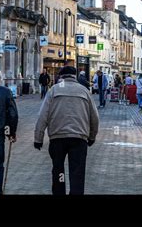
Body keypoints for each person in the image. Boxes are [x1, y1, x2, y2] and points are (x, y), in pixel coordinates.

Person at [34, 66, 99, 195]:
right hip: (79, 138)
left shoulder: (53, 90)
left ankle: (59, 192)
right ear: (74, 76)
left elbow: (42, 116)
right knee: (77, 173)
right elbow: (95, 117)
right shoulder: (84, 91)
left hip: (57, 138)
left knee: (58, 170)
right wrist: (92, 137)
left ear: (61, 77)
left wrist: (38, 138)